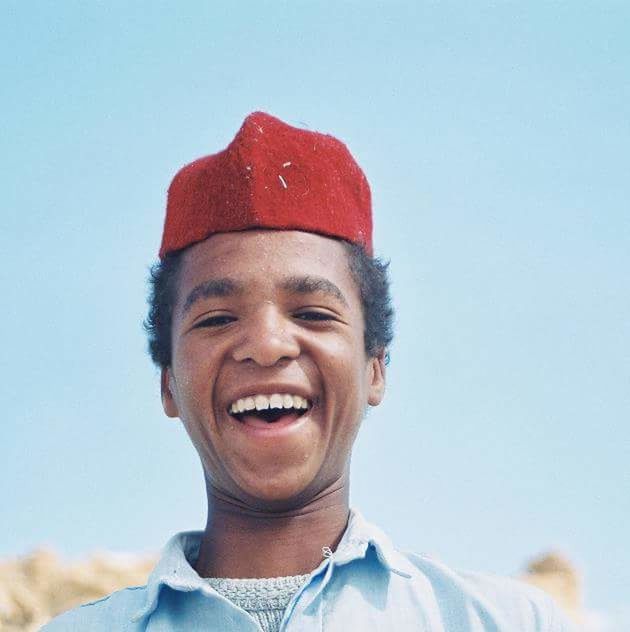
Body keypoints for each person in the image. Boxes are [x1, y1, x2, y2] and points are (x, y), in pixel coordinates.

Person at [43, 112, 575, 631]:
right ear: (168, 382)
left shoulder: (506, 621)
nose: (268, 345)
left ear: (375, 367)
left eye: (313, 314)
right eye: (218, 318)